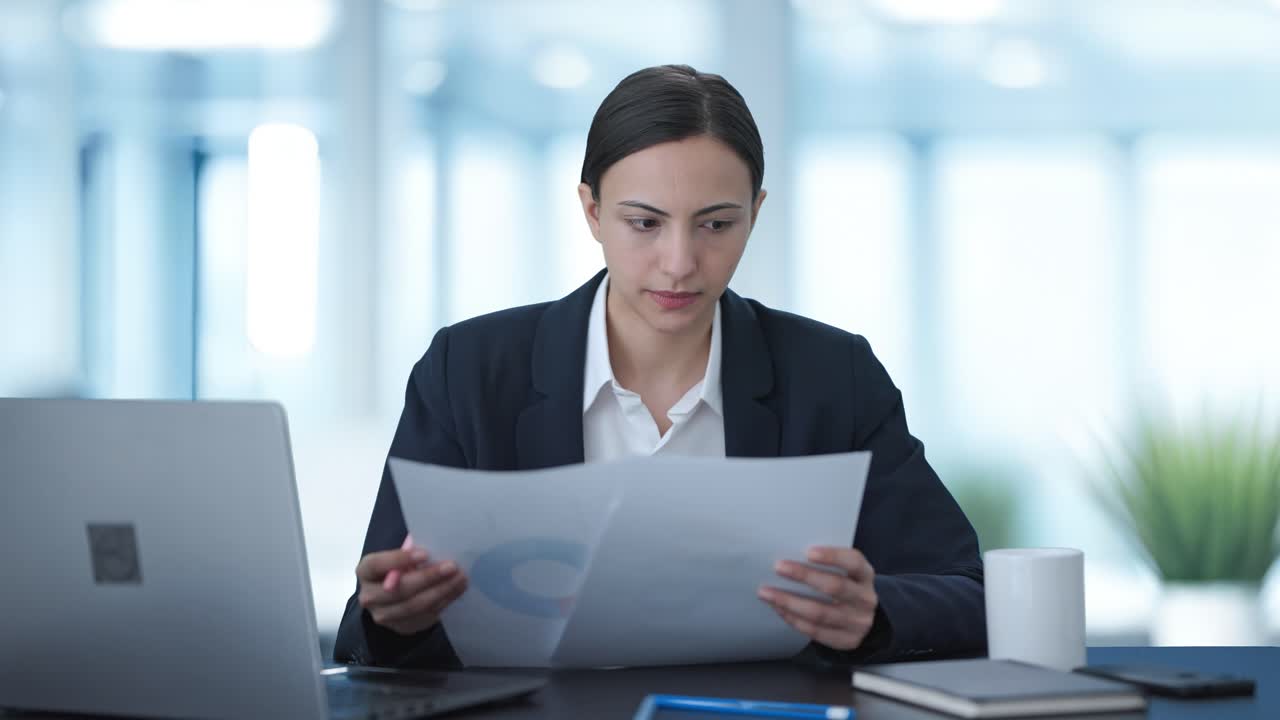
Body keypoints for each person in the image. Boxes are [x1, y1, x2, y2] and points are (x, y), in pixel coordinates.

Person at [334, 64, 985, 668]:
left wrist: (873, 613)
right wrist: (396, 619)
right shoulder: (469, 371)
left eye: (716, 225)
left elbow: (970, 594)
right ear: (592, 211)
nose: (679, 263)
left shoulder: (834, 376)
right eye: (645, 223)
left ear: (755, 213)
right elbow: (366, 631)